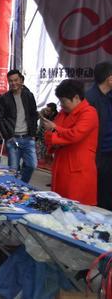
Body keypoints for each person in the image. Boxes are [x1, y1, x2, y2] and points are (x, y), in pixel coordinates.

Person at [42, 79, 99, 205]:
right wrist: (55, 137)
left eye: (63, 101)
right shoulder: (63, 113)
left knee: (76, 206)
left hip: (78, 168)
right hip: (61, 163)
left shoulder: (89, 113)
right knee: (58, 203)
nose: (61, 105)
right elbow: (50, 134)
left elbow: (75, 135)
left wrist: (55, 131)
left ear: (76, 98)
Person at [0, 70, 38, 183]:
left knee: (31, 165)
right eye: (11, 81)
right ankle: (15, 187)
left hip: (28, 137)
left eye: (16, 80)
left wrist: (33, 134)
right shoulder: (4, 98)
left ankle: (22, 184)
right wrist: (7, 137)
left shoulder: (29, 95)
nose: (13, 83)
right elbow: (0, 118)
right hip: (12, 138)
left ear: (21, 80)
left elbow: (34, 115)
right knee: (13, 169)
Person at [85, 62, 112, 210]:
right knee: (102, 195)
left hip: (109, 151)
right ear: (110, 79)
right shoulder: (89, 99)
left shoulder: (109, 96)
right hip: (98, 154)